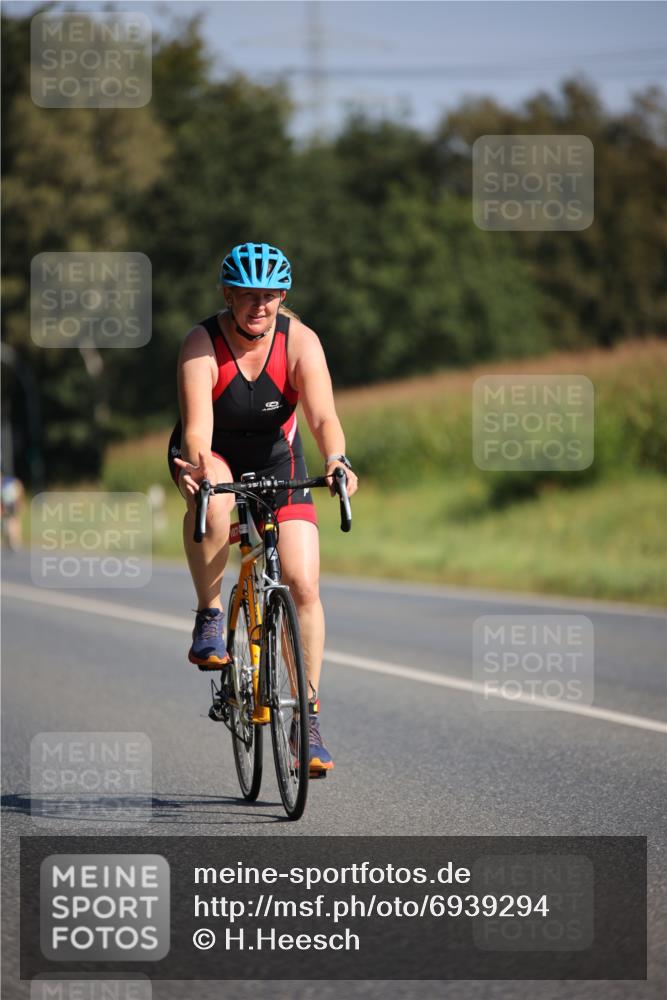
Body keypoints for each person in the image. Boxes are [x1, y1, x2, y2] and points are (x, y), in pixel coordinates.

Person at [167, 242, 358, 774]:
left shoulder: (301, 342)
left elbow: (322, 418)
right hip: (213, 454)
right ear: (228, 294)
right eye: (248, 295)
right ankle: (209, 614)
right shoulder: (201, 344)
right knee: (214, 494)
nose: (259, 305)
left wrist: (337, 460)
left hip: (279, 460)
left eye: (270, 295)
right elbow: (198, 430)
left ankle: (308, 721)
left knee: (302, 583)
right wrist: (200, 468)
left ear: (282, 297)